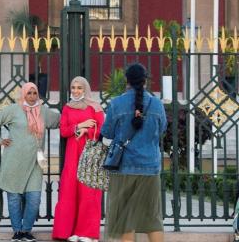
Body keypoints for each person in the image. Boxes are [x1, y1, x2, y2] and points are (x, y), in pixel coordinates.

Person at [100, 63, 167, 242]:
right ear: (145, 81)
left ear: (126, 81)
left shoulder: (116, 104)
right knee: (153, 219)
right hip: (150, 168)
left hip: (124, 168)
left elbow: (106, 133)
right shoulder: (157, 104)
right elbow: (161, 129)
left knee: (125, 219)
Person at [0, 82, 61, 242]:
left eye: (34, 93)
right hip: (14, 161)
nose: (32, 96)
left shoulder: (43, 111)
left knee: (34, 198)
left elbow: (61, 121)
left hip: (35, 162)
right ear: (23, 94)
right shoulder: (14, 110)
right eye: (28, 93)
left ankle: (26, 231)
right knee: (14, 198)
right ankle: (17, 232)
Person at [52, 76, 105, 242]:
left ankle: (88, 233)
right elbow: (64, 130)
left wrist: (88, 132)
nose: (75, 91)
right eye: (73, 87)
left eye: (79, 88)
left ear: (86, 89)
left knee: (88, 191)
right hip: (72, 154)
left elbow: (103, 130)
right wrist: (80, 126)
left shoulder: (95, 107)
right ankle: (69, 231)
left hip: (90, 154)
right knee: (70, 190)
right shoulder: (67, 108)